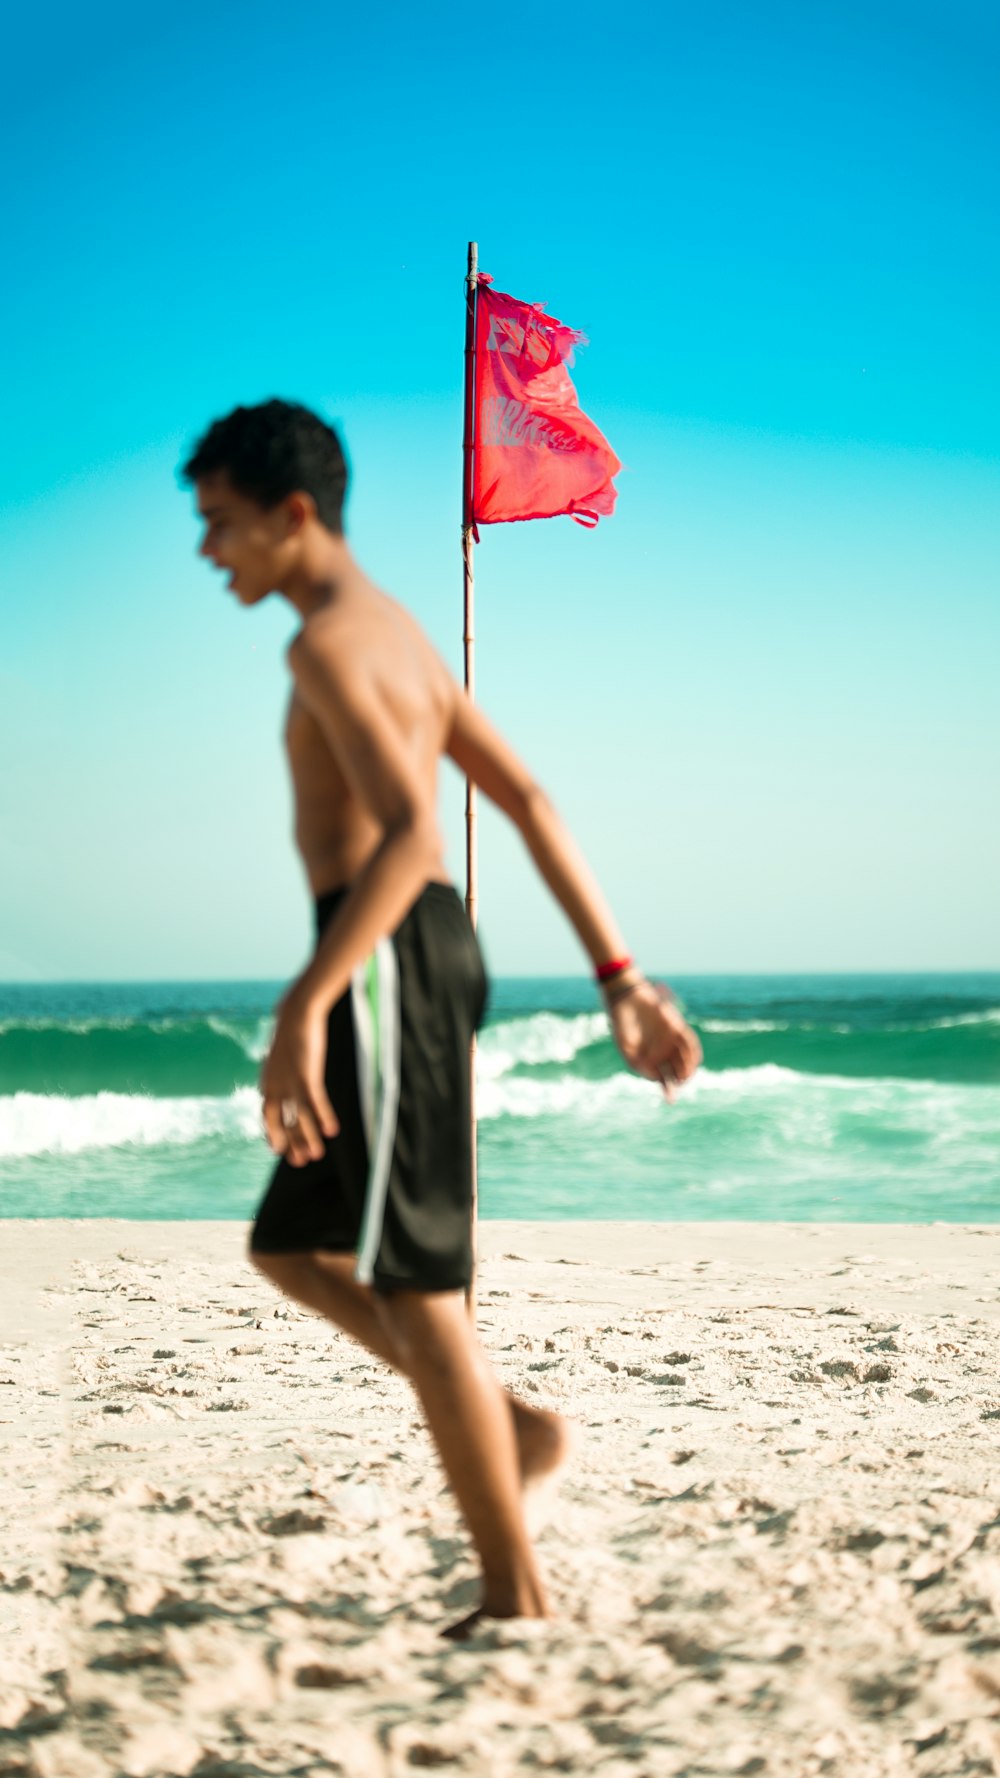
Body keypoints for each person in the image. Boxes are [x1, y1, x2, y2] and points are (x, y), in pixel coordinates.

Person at [181, 398, 702, 1638]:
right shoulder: (399, 632)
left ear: (291, 514)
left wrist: (305, 1001)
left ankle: (516, 1596)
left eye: (220, 525)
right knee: (294, 1246)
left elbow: (417, 832)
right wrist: (617, 971)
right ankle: (507, 1425)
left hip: (381, 963)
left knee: (419, 1289)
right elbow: (525, 795)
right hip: (403, 954)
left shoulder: (327, 646)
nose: (210, 553)